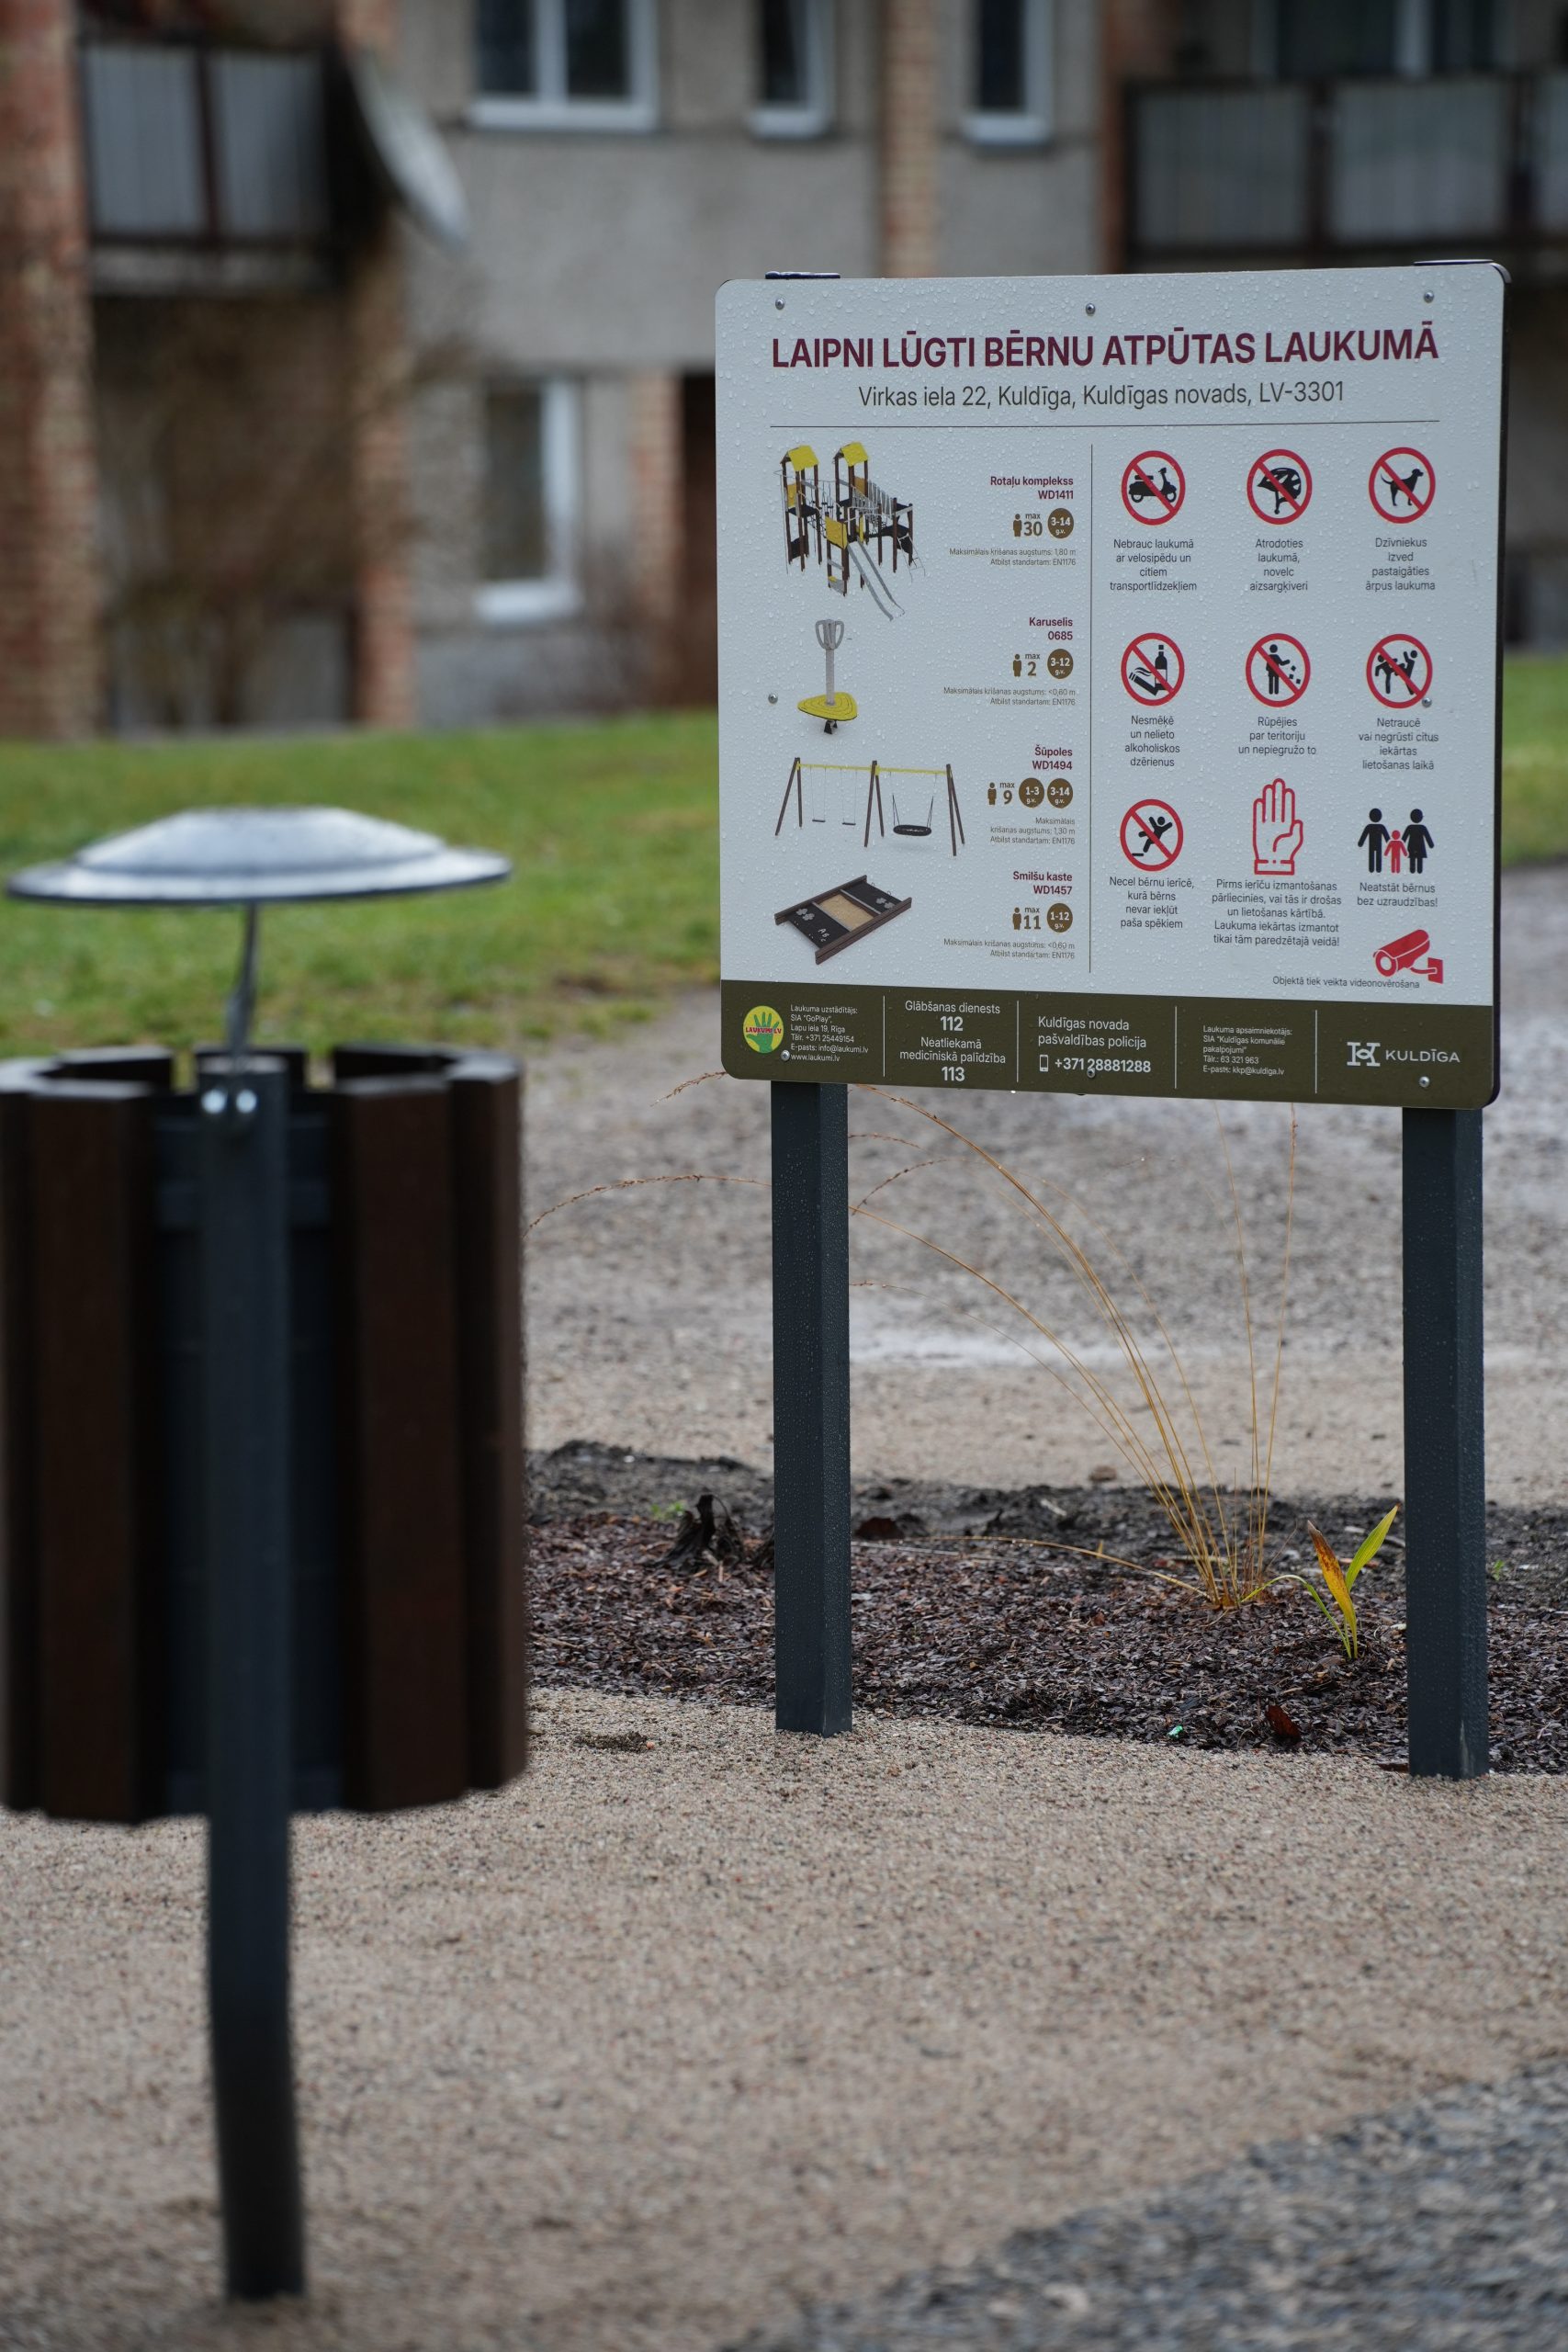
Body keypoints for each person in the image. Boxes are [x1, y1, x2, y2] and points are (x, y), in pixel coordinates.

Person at [1359, 808, 1391, 875]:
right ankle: (1378, 869)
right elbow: (1387, 837)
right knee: (1378, 856)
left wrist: (1361, 843)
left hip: (1372, 844)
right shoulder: (1381, 827)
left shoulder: (1369, 826)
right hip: (1378, 845)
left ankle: (1371, 869)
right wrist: (1389, 844)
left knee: (1371, 856)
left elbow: (1364, 835)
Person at [1404, 808, 1435, 873]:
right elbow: (1427, 837)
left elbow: (1404, 838)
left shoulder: (1409, 827)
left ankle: (1412, 870)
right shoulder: (1423, 827)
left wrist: (1401, 844)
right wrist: (1431, 845)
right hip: (1420, 847)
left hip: (1412, 846)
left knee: (1412, 859)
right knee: (1419, 859)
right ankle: (1419, 871)